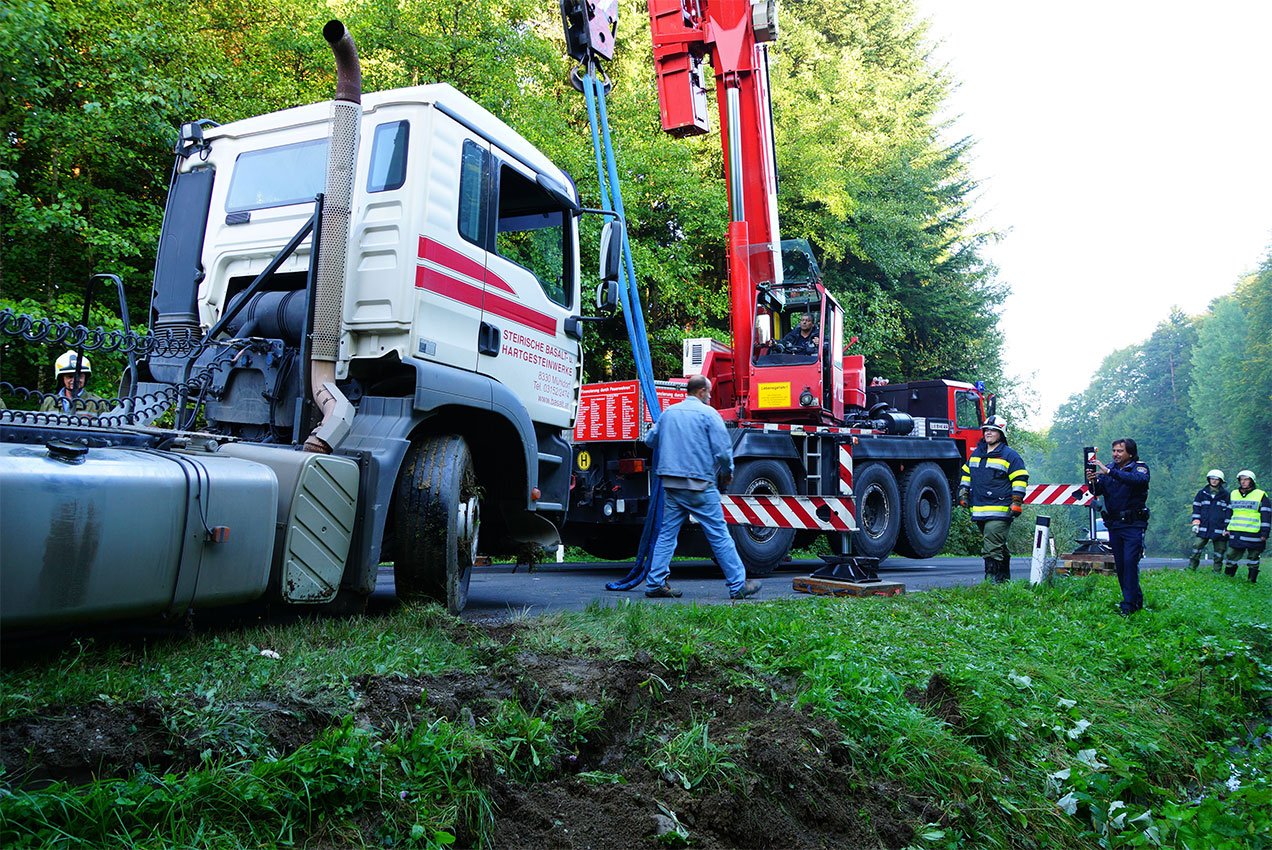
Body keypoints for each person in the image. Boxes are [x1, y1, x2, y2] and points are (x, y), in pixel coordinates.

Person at [642, 375, 762, 600]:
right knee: (719, 534)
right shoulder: (709, 414)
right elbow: (723, 451)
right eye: (708, 391)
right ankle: (738, 585)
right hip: (699, 485)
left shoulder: (669, 413)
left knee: (667, 535)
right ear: (701, 392)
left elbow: (650, 440)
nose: (710, 395)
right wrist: (727, 472)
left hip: (672, 485)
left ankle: (655, 583)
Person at [957, 415, 1029, 583]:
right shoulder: (977, 453)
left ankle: (991, 582)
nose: (988, 433)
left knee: (991, 547)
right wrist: (963, 492)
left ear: (1001, 434)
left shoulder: (1010, 456)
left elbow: (1020, 479)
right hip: (979, 509)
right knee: (996, 544)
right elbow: (966, 473)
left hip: (1000, 509)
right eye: (986, 430)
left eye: (993, 430)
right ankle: (1004, 580)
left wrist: (1016, 501)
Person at [1087, 438, 1150, 616]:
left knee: (1130, 562)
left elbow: (1139, 481)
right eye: (1114, 451)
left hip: (1133, 524)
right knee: (1121, 566)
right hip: (1114, 524)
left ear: (1130, 453)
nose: (1116, 454)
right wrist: (1093, 481)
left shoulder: (1139, 468)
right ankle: (1135, 601)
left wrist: (1109, 472)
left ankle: (1128, 605)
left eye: (1120, 451)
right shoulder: (1108, 468)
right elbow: (1097, 490)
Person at [1221, 470, 1270, 583]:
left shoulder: (1261, 495)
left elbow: (1266, 515)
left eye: (1246, 479)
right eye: (1241, 480)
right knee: (1230, 556)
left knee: (1253, 558)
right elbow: (1229, 513)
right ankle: (1228, 579)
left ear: (1252, 481)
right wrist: (1226, 528)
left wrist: (1265, 533)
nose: (1243, 482)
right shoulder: (1234, 494)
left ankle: (1251, 581)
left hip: (1254, 532)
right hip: (1236, 532)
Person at [39, 350, 108, 416]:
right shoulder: (49, 402)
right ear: (62, 379)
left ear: (85, 378)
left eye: (80, 376)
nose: (75, 380)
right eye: (70, 376)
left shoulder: (96, 403)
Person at [1188, 470, 1230, 571]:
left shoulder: (1226, 495)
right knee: (1197, 546)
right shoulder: (1201, 494)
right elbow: (1196, 509)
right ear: (1209, 480)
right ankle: (1191, 568)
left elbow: (1229, 513)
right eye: (1212, 479)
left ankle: (1217, 571)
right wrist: (1196, 524)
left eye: (1216, 479)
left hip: (1219, 528)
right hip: (1204, 527)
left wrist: (1227, 528)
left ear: (1220, 481)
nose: (1214, 481)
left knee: (1220, 551)